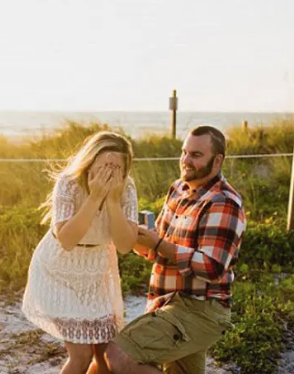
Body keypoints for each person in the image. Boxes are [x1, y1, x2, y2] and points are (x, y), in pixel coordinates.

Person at [102, 125, 247, 374]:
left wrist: (158, 243)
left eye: (196, 155)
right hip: (167, 303)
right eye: (184, 152)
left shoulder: (223, 202)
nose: (186, 160)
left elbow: (211, 267)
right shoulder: (178, 189)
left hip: (201, 311)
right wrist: (127, 234)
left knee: (117, 355)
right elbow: (158, 248)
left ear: (217, 160)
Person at [22, 131, 139, 374]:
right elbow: (66, 239)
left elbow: (125, 245)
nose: (110, 172)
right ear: (90, 161)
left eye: (116, 168)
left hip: (96, 271)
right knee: (82, 354)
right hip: (58, 271)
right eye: (104, 165)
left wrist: (114, 202)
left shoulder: (126, 188)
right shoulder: (69, 183)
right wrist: (95, 197)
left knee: (105, 355)